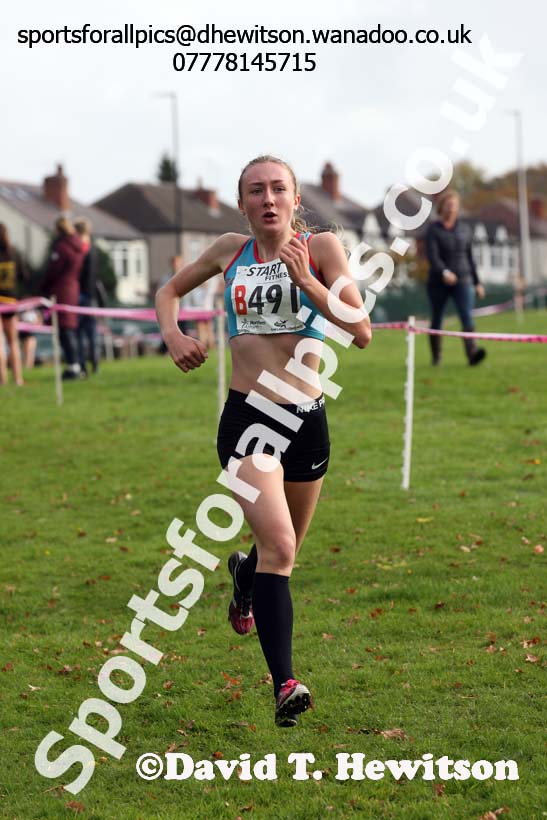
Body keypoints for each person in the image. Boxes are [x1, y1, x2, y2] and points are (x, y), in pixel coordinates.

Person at [156, 155, 372, 727]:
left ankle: (244, 578)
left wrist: (308, 283)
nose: (268, 199)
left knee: (284, 553)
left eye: (279, 189)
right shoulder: (230, 251)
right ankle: (286, 686)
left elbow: (361, 330)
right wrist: (173, 334)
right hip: (249, 420)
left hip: (307, 417)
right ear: (243, 202)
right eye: (257, 191)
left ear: (295, 200)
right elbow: (168, 293)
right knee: (279, 547)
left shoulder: (322, 250)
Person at [425, 189, 486, 366]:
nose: (451, 209)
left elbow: (470, 257)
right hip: (438, 283)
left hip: (463, 279)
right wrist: (444, 272)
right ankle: (436, 357)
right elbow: (432, 256)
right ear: (441, 207)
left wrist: (477, 282)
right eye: (448, 205)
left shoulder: (465, 230)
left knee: (467, 316)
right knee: (437, 319)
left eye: (454, 205)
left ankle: (472, 354)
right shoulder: (433, 230)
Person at [41, 216, 85, 380]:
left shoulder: (61, 247)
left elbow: (53, 271)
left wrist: (43, 287)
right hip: (73, 288)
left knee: (65, 331)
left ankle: (73, 365)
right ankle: (77, 364)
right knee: (71, 329)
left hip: (62, 291)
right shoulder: (78, 246)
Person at [74, 218, 106, 376]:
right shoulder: (93, 250)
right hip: (91, 295)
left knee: (79, 332)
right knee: (92, 332)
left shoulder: (78, 250)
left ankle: (82, 365)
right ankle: (95, 364)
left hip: (80, 295)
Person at [0, 223, 27, 386]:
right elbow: (25, 275)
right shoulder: (13, 253)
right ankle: (18, 379)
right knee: (14, 342)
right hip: (11, 301)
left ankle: (2, 380)